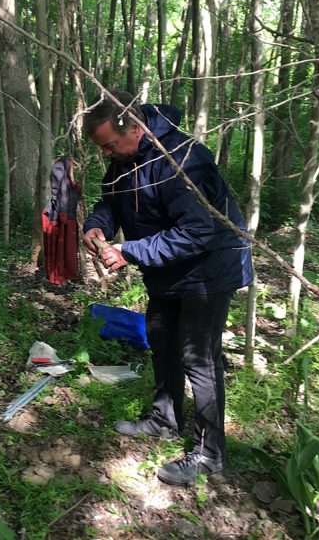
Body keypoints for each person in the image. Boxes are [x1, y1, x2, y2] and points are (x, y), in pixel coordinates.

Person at [82, 90, 252, 485]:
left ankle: (210, 454)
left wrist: (131, 252)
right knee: (161, 338)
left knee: (199, 358)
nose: (107, 154)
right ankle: (164, 418)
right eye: (102, 148)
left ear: (137, 128)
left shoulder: (184, 160)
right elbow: (113, 199)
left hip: (208, 270)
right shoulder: (127, 158)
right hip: (167, 269)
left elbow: (196, 231)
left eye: (109, 145)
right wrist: (99, 225)